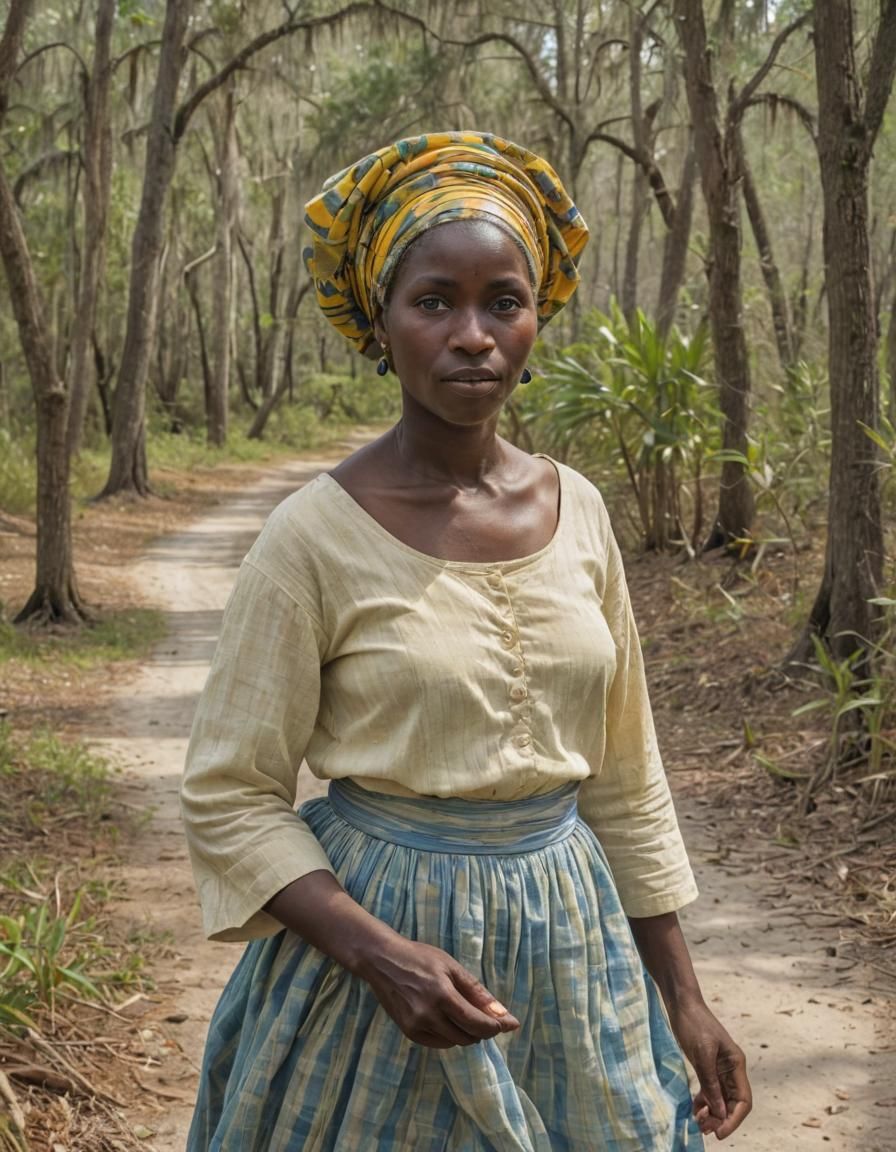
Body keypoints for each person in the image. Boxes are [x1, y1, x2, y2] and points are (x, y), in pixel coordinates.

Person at [181, 131, 751, 1151]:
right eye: (433, 301)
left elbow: (622, 777)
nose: (472, 334)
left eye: (502, 301)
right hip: (369, 969)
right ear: (380, 323)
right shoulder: (310, 537)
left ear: (537, 318)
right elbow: (229, 794)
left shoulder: (576, 510)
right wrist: (378, 956)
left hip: (572, 955)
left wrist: (685, 997)